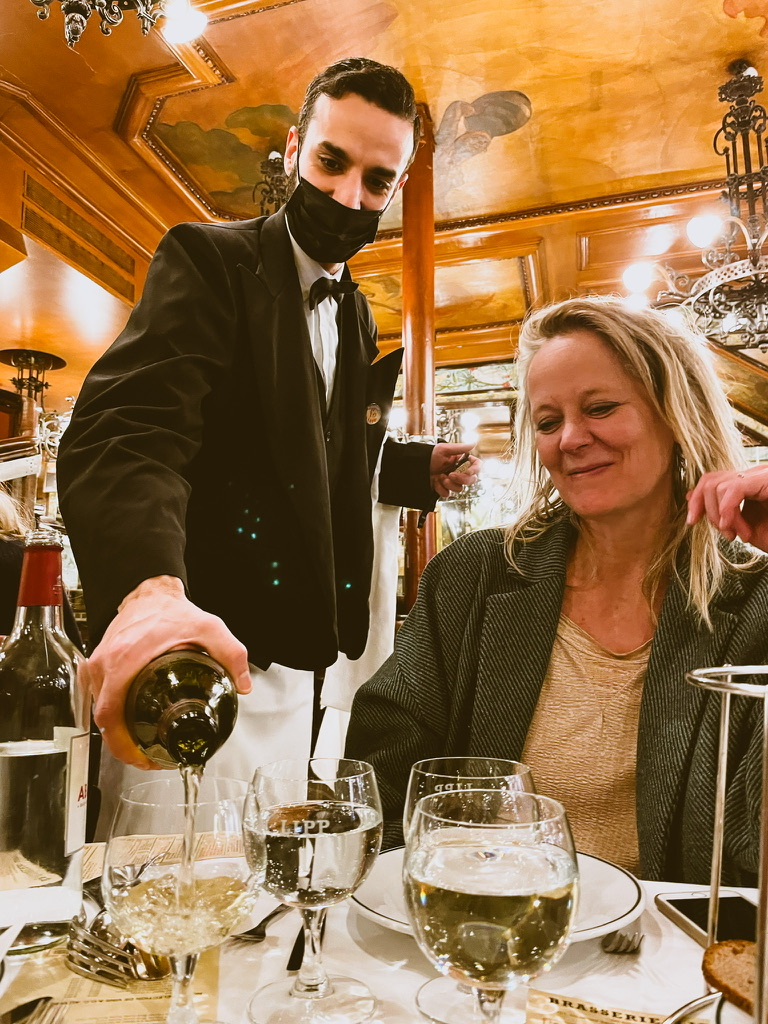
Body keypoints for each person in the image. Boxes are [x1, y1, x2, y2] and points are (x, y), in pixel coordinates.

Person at [56, 58, 479, 794]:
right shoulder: (210, 260)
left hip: (304, 665)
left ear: (398, 187)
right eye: (331, 162)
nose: (348, 196)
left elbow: (317, 447)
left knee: (280, 859)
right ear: (293, 149)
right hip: (197, 656)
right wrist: (148, 590)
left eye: (376, 181)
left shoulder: (358, 312)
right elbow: (130, 429)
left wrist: (412, 469)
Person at [346, 296, 767, 885]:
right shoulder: (471, 576)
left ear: (676, 413)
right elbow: (380, 785)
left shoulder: (754, 598)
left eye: (600, 408)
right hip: (480, 919)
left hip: (678, 937)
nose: (570, 438)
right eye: (547, 422)